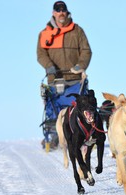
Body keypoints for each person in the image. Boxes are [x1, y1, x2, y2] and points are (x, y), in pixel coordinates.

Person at [37, 1, 92, 149]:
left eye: (63, 10)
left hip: (75, 80)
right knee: (53, 110)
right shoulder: (45, 33)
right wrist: (49, 67)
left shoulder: (77, 31)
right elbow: (41, 54)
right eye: (58, 10)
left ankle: (81, 136)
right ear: (54, 13)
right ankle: (54, 138)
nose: (61, 13)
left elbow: (86, 51)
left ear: (67, 12)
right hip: (55, 80)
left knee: (78, 109)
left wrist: (80, 65)